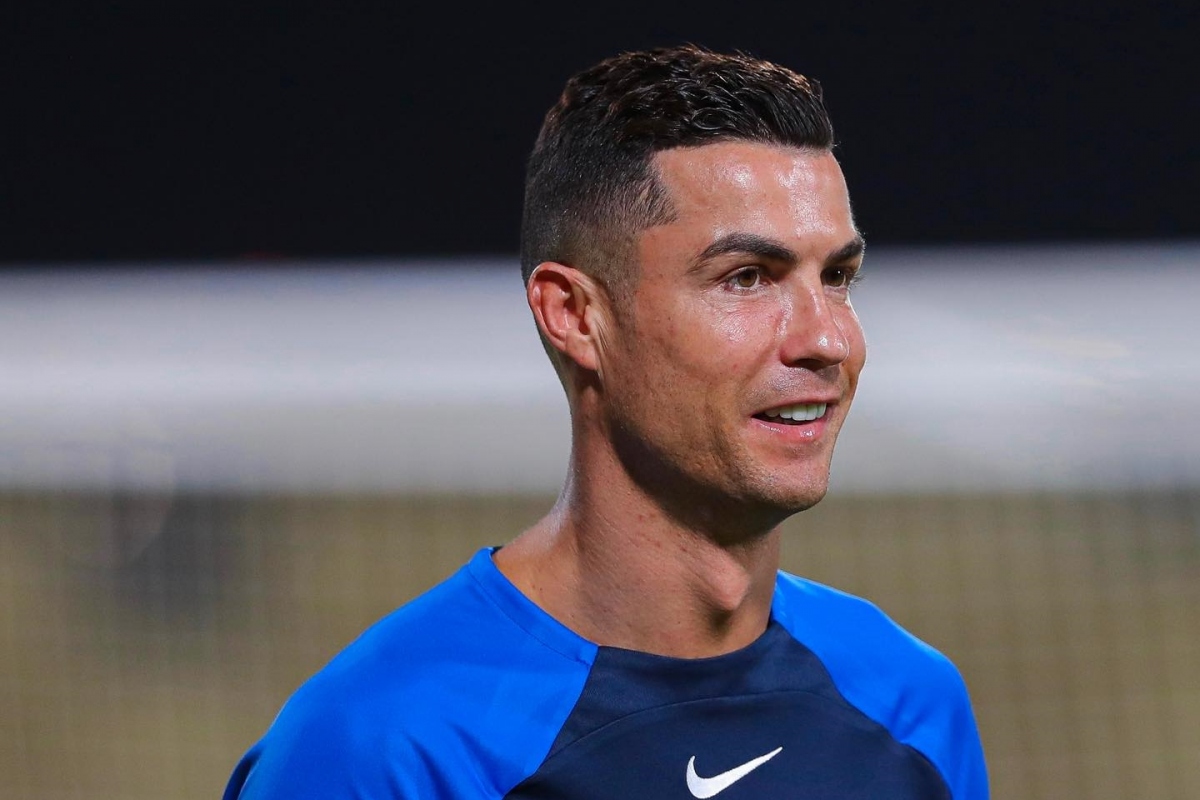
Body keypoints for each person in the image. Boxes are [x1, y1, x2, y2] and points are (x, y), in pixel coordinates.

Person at [224, 44, 988, 799]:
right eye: (746, 278)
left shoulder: (908, 701)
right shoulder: (385, 747)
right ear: (575, 315)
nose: (826, 340)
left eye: (838, 277)